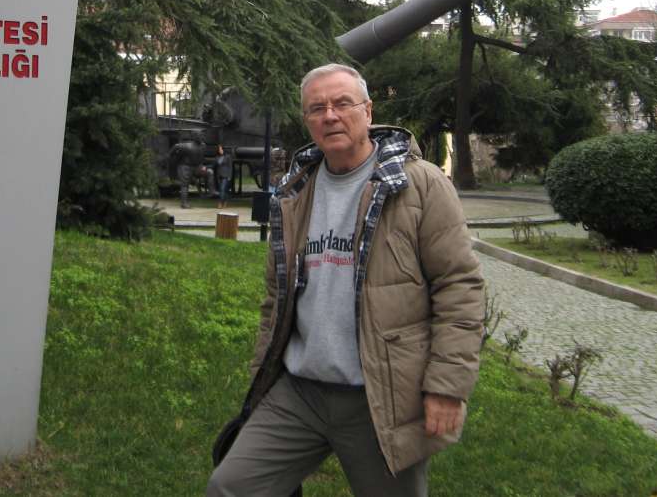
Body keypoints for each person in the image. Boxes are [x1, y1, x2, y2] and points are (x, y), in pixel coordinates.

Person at [207, 63, 484, 497]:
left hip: (379, 396)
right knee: (231, 488)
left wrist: (448, 387)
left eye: (342, 103)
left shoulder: (420, 185)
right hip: (300, 392)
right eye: (317, 108)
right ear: (307, 120)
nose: (330, 115)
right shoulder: (294, 192)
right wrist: (262, 376)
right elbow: (276, 297)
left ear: (368, 111)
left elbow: (459, 288)